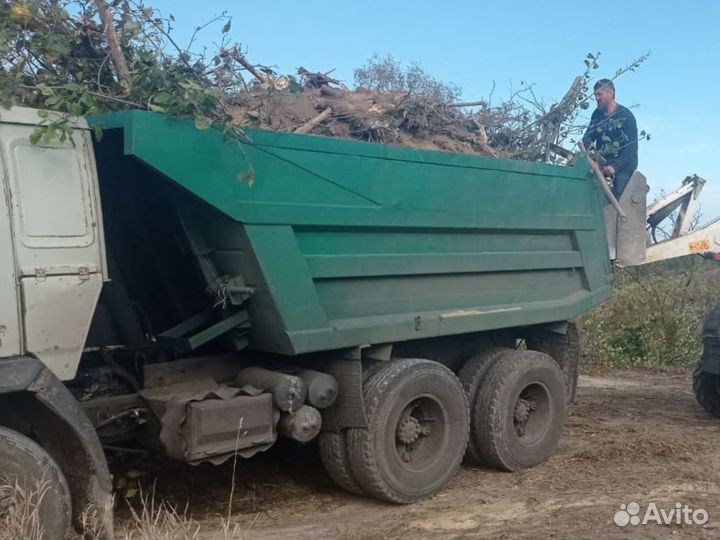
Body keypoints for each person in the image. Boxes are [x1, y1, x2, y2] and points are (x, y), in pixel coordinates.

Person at [582, 79, 638, 198]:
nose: (597, 98)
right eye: (595, 95)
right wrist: (589, 145)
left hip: (623, 168)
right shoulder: (597, 115)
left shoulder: (626, 116)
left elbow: (631, 148)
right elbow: (588, 136)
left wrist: (614, 167)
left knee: (617, 199)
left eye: (599, 94)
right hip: (602, 164)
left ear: (611, 93)